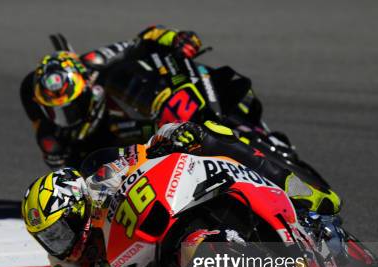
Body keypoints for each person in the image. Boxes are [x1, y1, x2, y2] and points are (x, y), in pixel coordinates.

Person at [21, 121, 341, 267]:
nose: (57, 241)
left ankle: (301, 192)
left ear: (77, 207)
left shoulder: (99, 180)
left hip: (167, 211)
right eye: (47, 236)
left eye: (59, 229)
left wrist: (172, 134)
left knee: (212, 133)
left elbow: (142, 151)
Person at [20, 25, 265, 169]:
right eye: (57, 112)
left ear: (87, 89)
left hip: (142, 108)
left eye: (71, 108)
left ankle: (243, 124)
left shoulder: (93, 63)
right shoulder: (52, 128)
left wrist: (176, 39)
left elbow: (141, 40)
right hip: (123, 148)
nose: (66, 117)